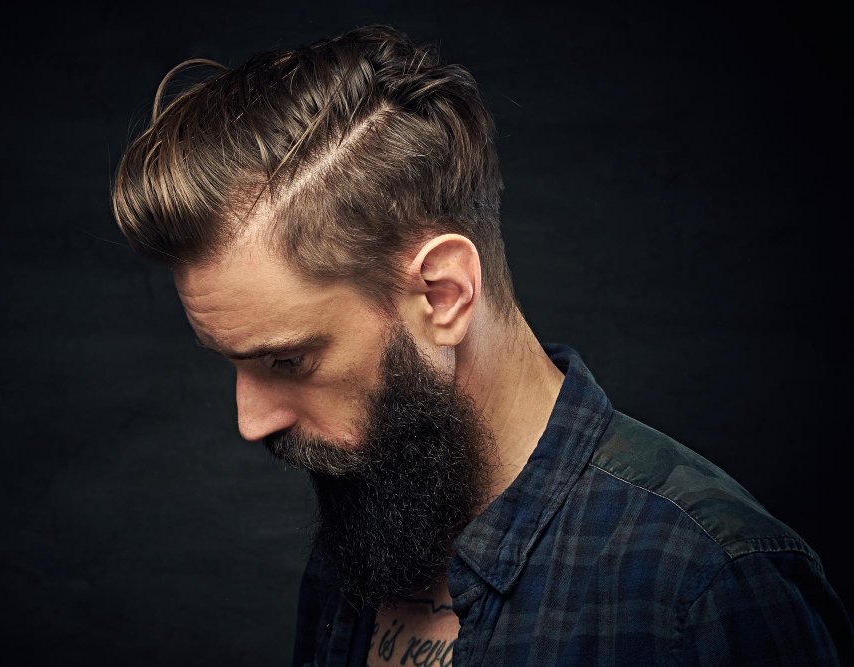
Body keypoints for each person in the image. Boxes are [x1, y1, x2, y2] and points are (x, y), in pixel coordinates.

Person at [109, 23, 854, 666]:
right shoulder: (365, 531)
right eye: (234, 364)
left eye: (287, 361)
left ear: (443, 295)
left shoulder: (710, 583)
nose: (250, 420)